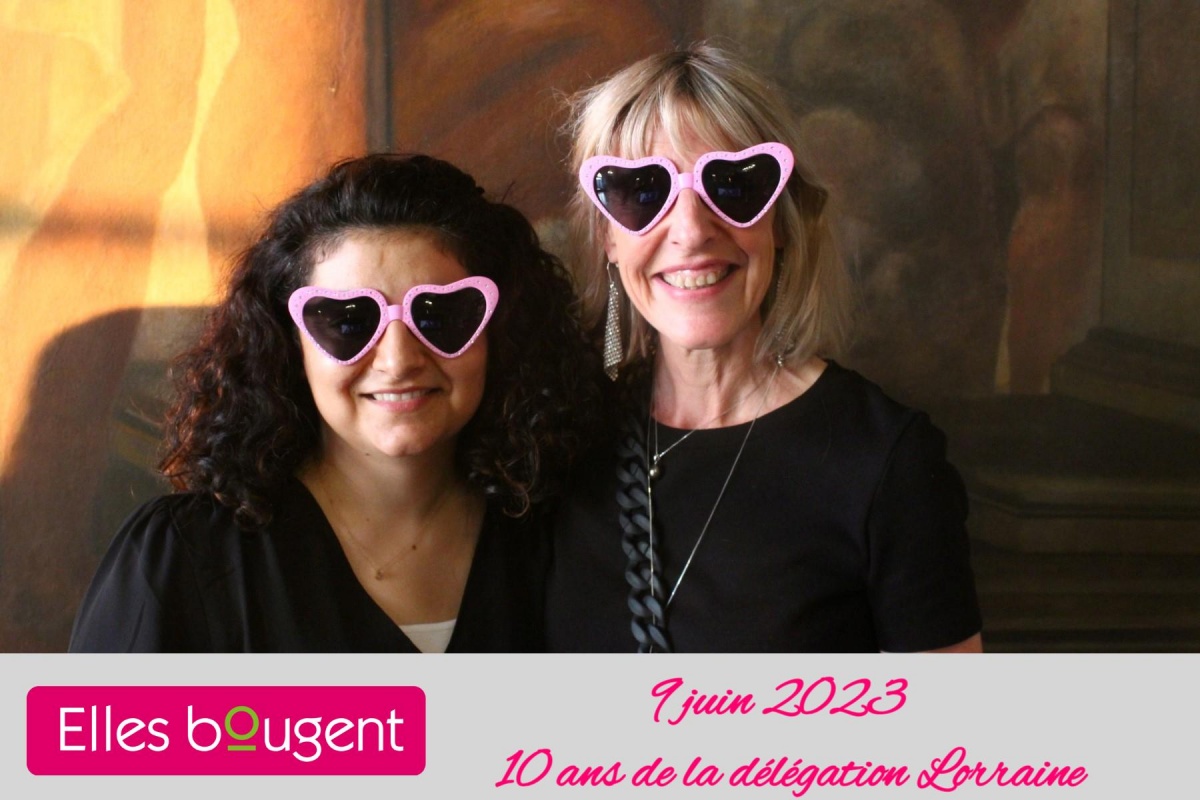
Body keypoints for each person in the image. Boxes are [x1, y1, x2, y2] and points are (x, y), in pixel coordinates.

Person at [545, 45, 983, 652]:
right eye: (642, 193)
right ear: (607, 237)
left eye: (731, 185)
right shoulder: (566, 442)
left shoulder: (888, 462)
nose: (691, 232)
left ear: (781, 220)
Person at [70, 153, 601, 652]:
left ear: (499, 331)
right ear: (289, 343)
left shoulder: (573, 541)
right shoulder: (183, 560)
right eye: (349, 322)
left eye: (439, 316)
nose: (398, 360)